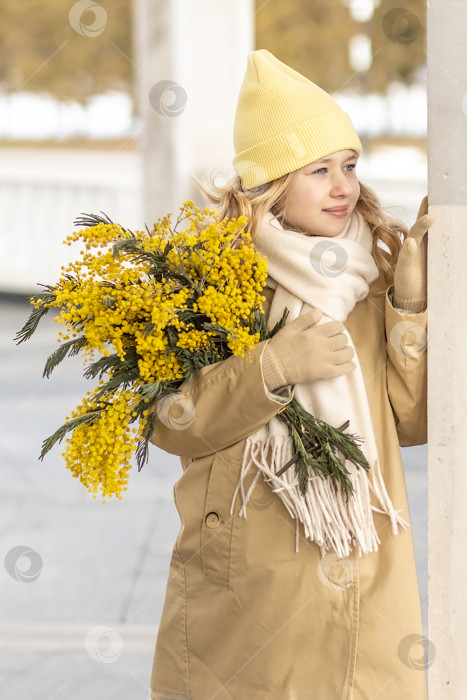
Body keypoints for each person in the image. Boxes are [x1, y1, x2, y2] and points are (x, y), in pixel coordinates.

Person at [149, 49, 432, 699]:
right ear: (272, 182)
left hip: (365, 570)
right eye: (319, 170)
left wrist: (408, 308)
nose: (343, 187)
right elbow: (171, 423)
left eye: (350, 166)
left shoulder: (376, 281)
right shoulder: (212, 278)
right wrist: (272, 366)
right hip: (251, 583)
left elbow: (414, 423)